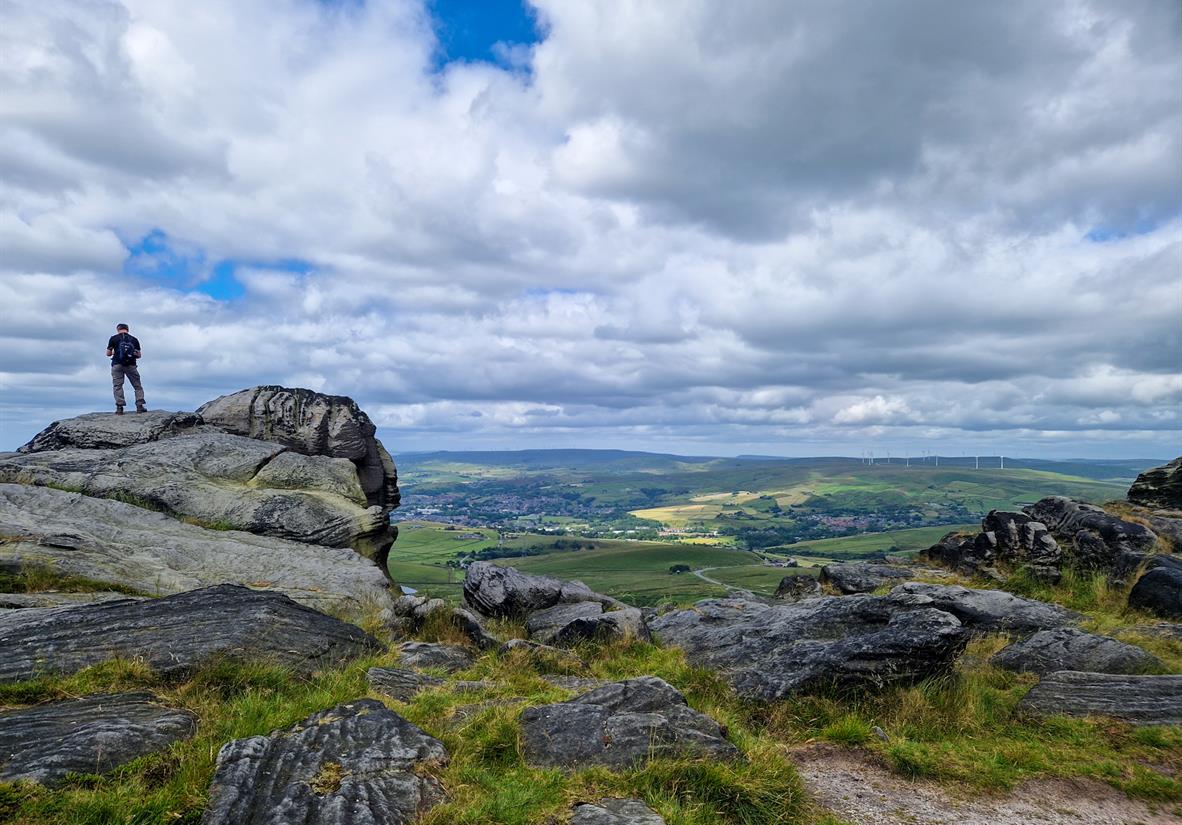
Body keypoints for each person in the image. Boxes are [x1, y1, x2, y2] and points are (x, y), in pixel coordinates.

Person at [106, 323, 146, 414]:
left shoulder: (113, 338)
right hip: (131, 365)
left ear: (118, 329)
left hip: (117, 365)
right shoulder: (134, 339)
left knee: (118, 386)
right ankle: (140, 406)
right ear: (128, 329)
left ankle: (119, 407)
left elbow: (108, 353)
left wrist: (115, 353)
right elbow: (139, 355)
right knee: (137, 385)